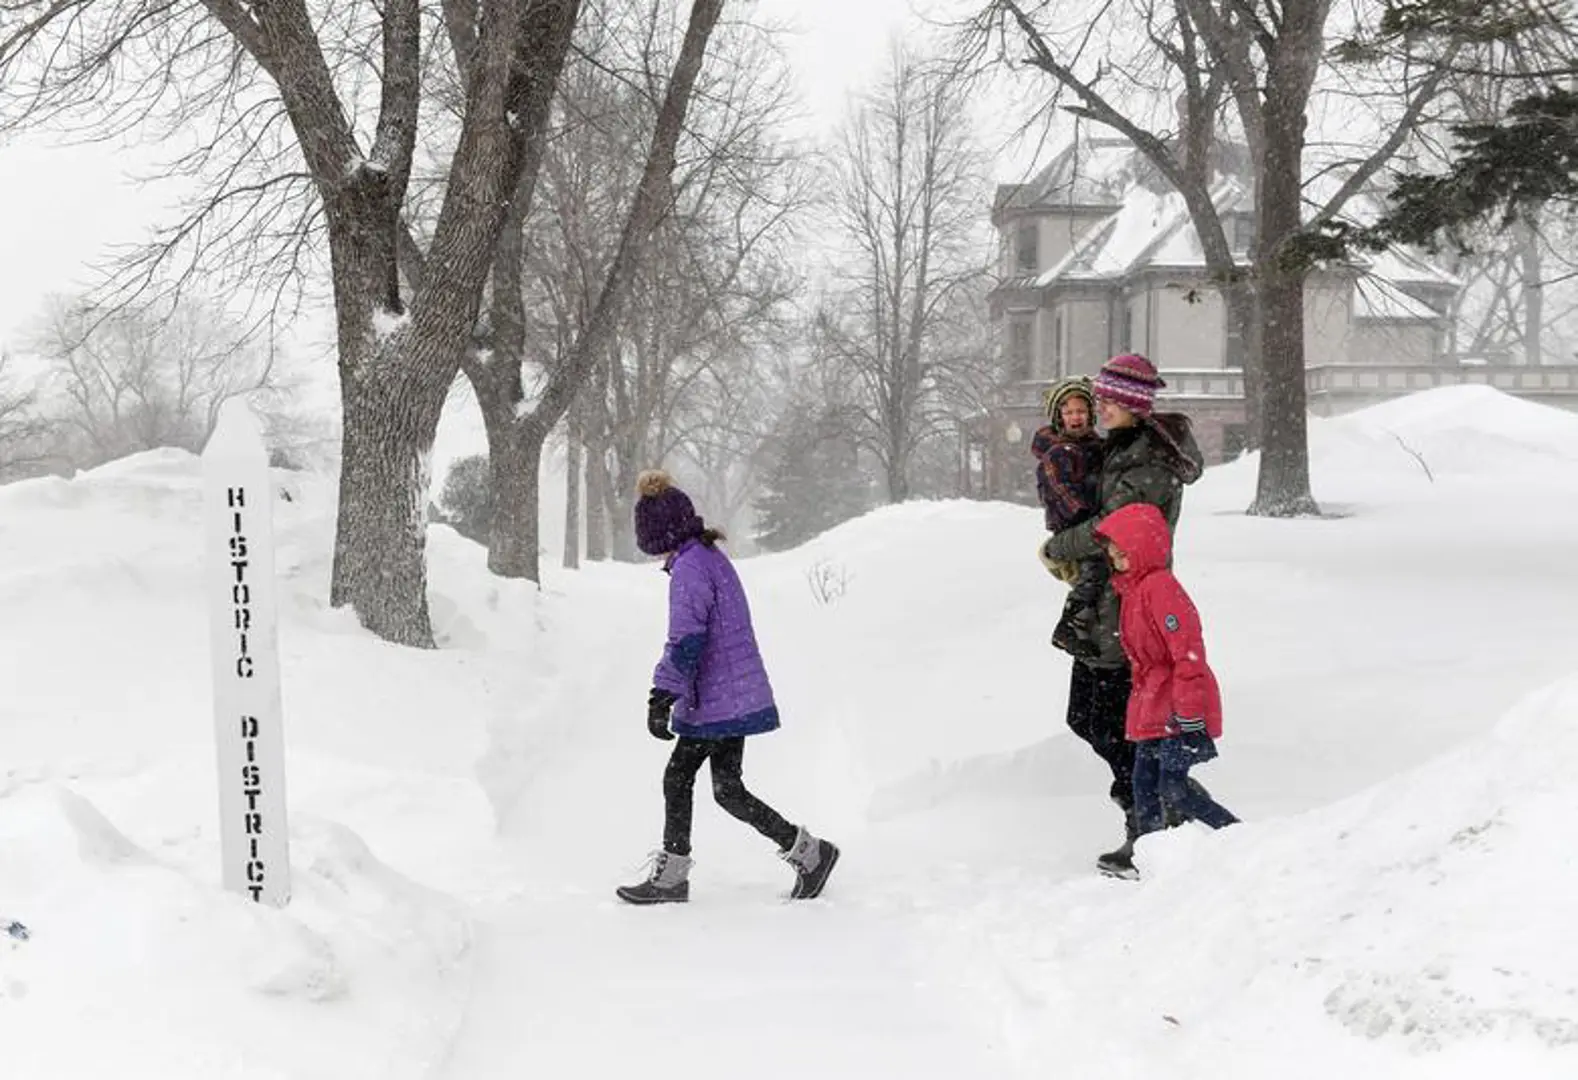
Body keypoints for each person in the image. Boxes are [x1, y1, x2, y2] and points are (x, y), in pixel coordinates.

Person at [616, 469, 840, 905]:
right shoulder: (707, 556)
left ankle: (672, 879)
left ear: (658, 533)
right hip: (728, 696)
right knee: (727, 790)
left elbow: (686, 638)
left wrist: (661, 695)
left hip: (718, 699)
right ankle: (811, 855)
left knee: (679, 777)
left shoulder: (689, 569)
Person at [1039, 353, 1206, 878]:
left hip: (1129, 607)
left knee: (1116, 722)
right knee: (1088, 717)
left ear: (1132, 405)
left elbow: (1117, 526)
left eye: (1107, 400)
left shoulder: (1147, 461)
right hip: (1105, 602)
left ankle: (1155, 821)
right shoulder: (1119, 449)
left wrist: (1059, 546)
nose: (1097, 407)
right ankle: (1163, 809)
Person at [1093, 501, 1238, 880]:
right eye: (1113, 554)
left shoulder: (1161, 589)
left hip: (1177, 709)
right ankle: (1153, 859)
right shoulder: (1133, 591)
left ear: (1143, 550)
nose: (1116, 560)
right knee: (1143, 786)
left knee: (1173, 788)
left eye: (1124, 553)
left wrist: (1189, 712)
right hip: (1151, 706)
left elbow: (1188, 654)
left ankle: (1243, 840)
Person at [1029, 376, 1105, 660]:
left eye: (1081, 411)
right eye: (1069, 412)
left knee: (1099, 575)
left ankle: (1085, 624)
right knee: (1094, 570)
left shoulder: (1095, 447)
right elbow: (1061, 491)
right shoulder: (1059, 453)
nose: (1076, 417)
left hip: (1091, 521)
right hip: (1071, 524)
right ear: (1059, 417)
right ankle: (1068, 625)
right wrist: (1086, 515)